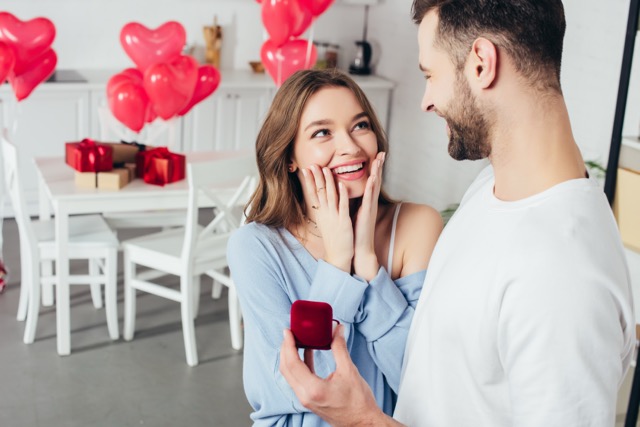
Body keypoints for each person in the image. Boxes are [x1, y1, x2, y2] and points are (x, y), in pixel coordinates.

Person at [278, 1, 636, 426]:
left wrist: (364, 419)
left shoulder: (563, 276)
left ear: (482, 64)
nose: (427, 101)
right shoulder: (492, 188)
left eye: (431, 75)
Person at [227, 68, 443, 426]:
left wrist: (368, 265)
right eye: (322, 132)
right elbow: (304, 387)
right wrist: (338, 262)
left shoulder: (416, 225)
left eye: (360, 125)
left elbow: (418, 380)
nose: (351, 147)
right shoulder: (254, 247)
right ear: (289, 157)